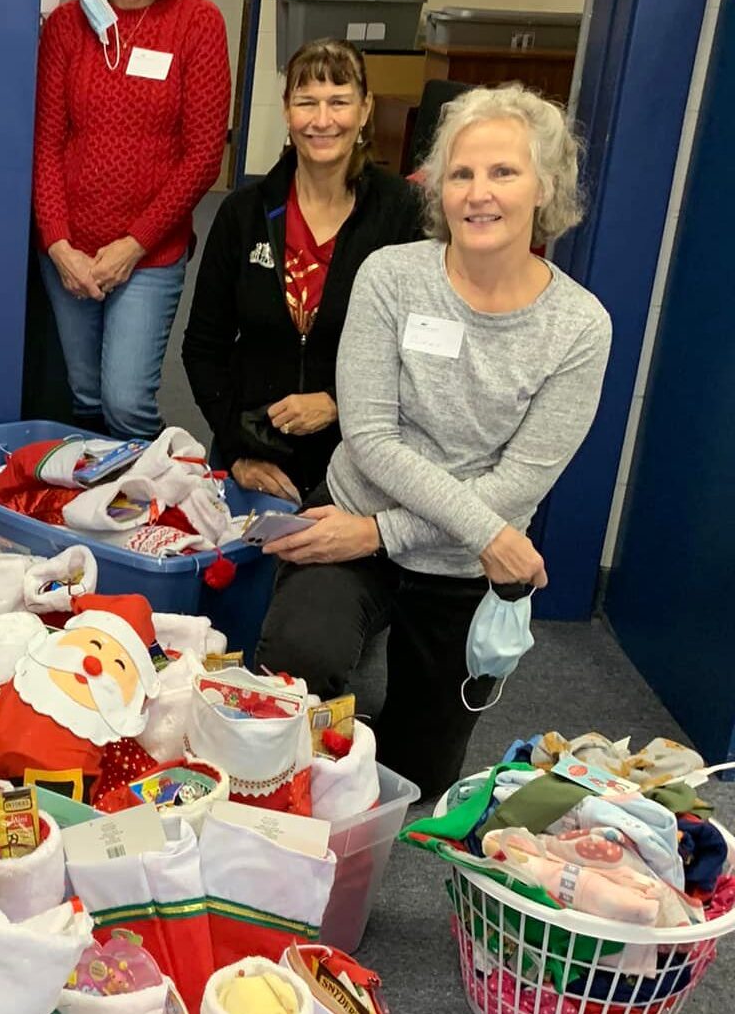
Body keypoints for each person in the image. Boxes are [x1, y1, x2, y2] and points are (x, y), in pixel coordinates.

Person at [251, 84, 612, 797]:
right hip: (360, 513)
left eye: (503, 172)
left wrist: (379, 534)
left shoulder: (579, 326)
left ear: (545, 186)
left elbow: (519, 482)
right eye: (461, 173)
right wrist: (481, 533)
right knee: (297, 663)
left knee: (414, 779)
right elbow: (372, 438)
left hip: (451, 559)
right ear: (438, 188)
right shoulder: (392, 275)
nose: (479, 193)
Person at [182, 39, 425, 502]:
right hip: (254, 451)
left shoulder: (403, 214)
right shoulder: (244, 214)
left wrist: (339, 402)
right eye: (306, 102)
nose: (321, 120)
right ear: (287, 111)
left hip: (360, 460)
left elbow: (418, 352)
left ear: (366, 109)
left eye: (339, 102)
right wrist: (236, 452)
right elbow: (203, 349)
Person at [33, 0, 230, 440]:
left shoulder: (199, 23)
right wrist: (59, 245)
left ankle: (155, 493)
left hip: (149, 253)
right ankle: (98, 507)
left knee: (125, 403)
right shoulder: (64, 26)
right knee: (86, 395)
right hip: (70, 252)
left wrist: (134, 243)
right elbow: (46, 144)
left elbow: (205, 155)